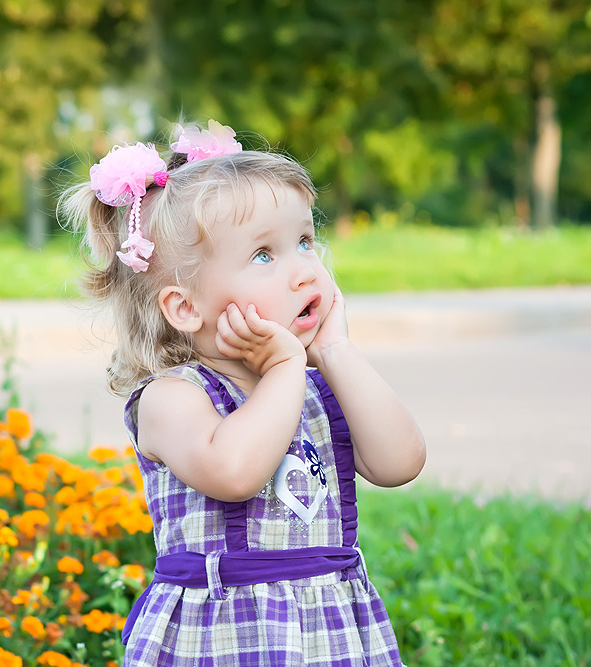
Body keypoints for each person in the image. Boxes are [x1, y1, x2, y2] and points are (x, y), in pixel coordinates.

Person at [60, 120, 427, 666]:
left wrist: (335, 352)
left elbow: (401, 462)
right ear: (186, 308)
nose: (306, 271)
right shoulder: (173, 397)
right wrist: (284, 368)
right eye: (264, 255)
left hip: (330, 634)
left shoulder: (318, 385)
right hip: (224, 637)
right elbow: (233, 473)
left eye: (304, 241)